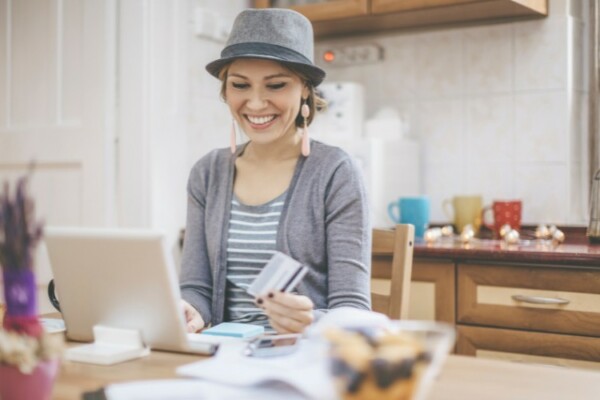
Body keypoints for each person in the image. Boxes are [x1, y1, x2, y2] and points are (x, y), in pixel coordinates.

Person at [179, 8, 371, 334]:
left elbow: (352, 309)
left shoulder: (337, 173)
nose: (255, 104)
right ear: (225, 92)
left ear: (305, 90)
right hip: (222, 359)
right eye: (240, 85)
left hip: (301, 360)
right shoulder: (207, 173)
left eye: (276, 85)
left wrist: (310, 320)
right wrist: (188, 310)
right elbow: (197, 289)